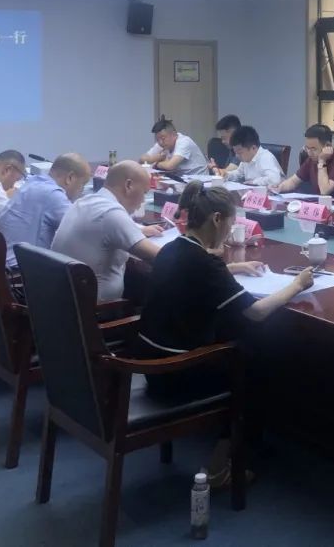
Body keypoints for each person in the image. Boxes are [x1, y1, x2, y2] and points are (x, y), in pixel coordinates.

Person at [137, 181, 311, 487]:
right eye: (231, 222)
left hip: (151, 362)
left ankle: (246, 444)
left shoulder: (173, 248)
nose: (231, 230)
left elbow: (196, 275)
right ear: (217, 219)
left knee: (245, 343)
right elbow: (256, 312)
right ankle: (220, 468)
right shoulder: (204, 263)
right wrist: (297, 285)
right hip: (176, 374)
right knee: (256, 365)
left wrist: (235, 267)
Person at [50, 160, 166, 303]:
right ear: (128, 185)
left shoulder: (84, 201)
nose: (143, 200)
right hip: (98, 310)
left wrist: (138, 230)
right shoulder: (111, 213)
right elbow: (161, 257)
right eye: (144, 192)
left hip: (67, 301)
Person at [0, 153, 91, 269]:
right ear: (70, 178)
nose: (81, 191)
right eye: (82, 185)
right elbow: (81, 231)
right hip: (17, 271)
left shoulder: (33, 182)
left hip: (0, 261)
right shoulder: (53, 195)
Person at [272, 124, 334, 202]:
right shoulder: (311, 159)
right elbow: (294, 181)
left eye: (313, 149)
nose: (309, 153)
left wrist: (322, 161)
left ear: (327, 146)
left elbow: (324, 191)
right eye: (307, 148)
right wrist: (279, 187)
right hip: (320, 206)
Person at [139, 117, 208, 176]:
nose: (160, 142)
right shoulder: (162, 144)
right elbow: (142, 160)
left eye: (163, 138)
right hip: (180, 179)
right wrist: (158, 157)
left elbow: (170, 166)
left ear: (174, 134)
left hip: (199, 180)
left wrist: (156, 164)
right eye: (157, 139)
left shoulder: (184, 142)